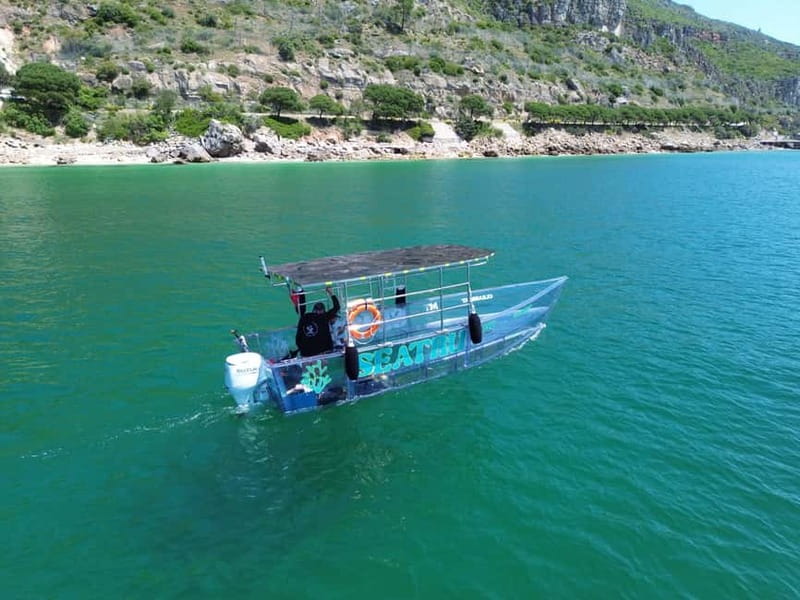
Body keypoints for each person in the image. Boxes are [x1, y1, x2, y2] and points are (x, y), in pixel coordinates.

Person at [295, 286, 340, 357]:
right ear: (323, 311)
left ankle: (301, 292)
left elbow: (300, 310)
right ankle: (301, 292)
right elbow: (337, 307)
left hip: (306, 352)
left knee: (301, 312)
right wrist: (331, 293)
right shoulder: (324, 316)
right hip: (323, 350)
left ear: (313, 310)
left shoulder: (306, 316)